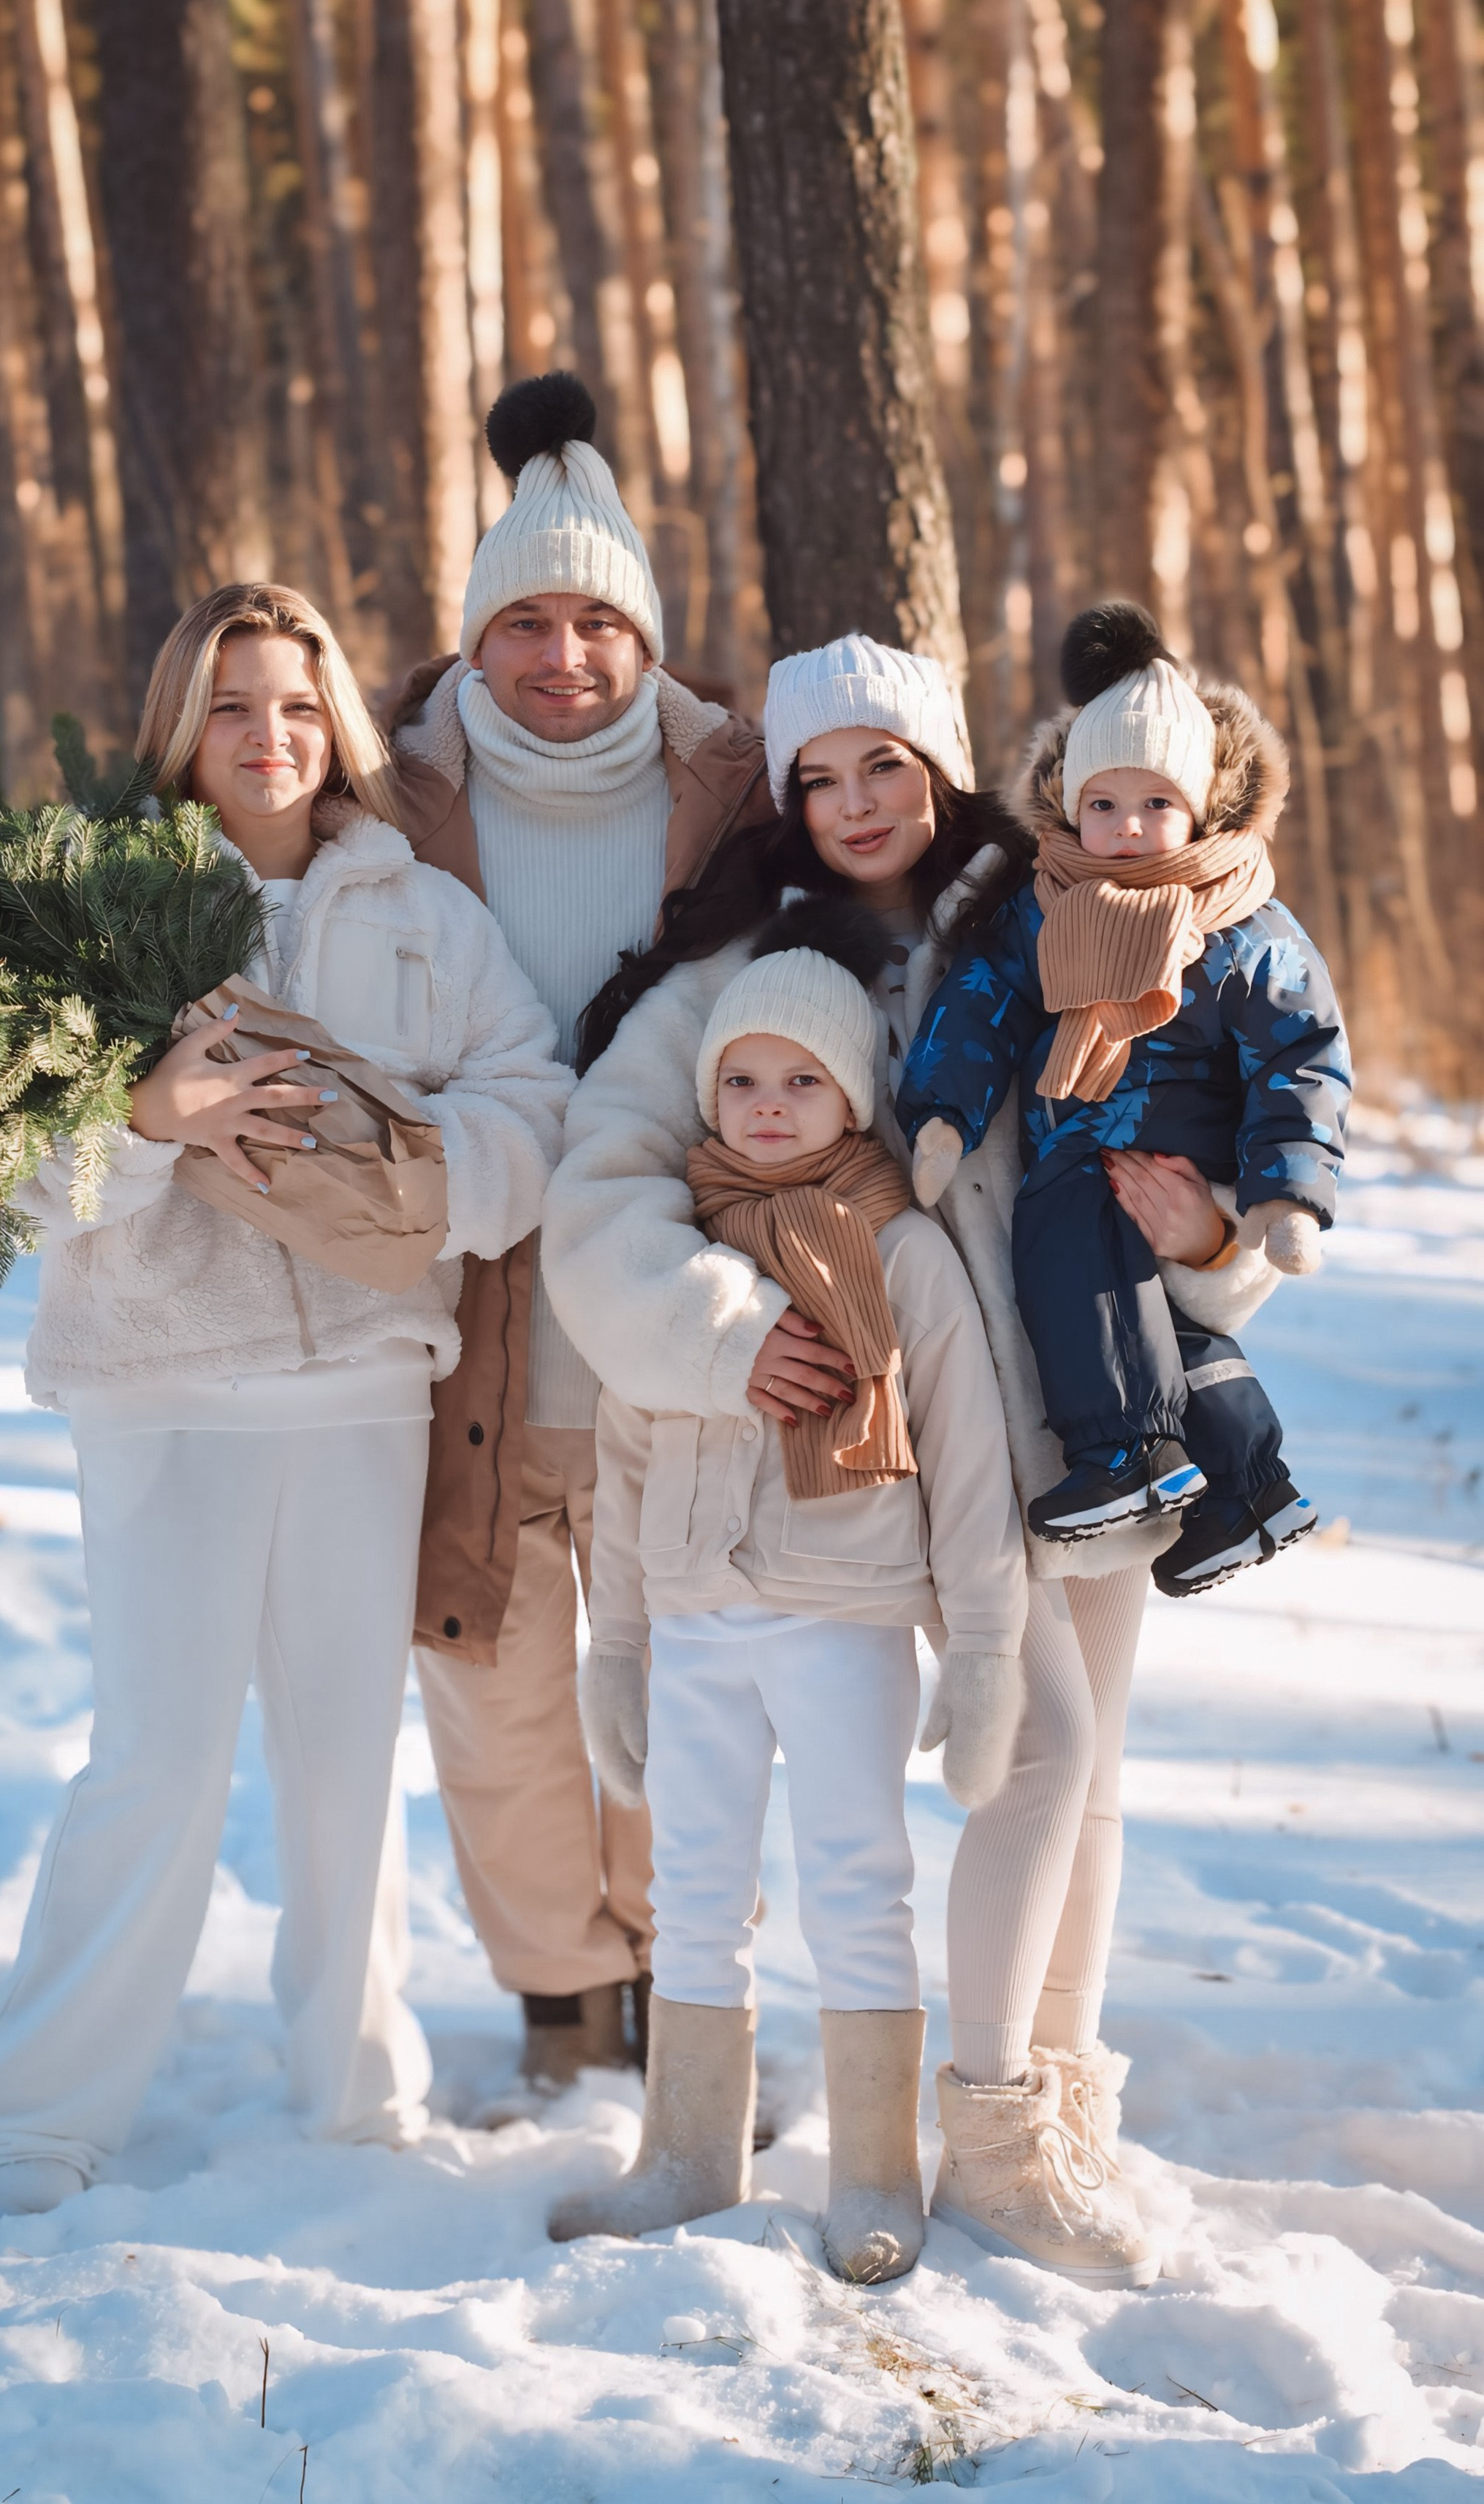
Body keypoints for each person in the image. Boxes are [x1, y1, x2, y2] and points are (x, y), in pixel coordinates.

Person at [543, 633, 1287, 2288]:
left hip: (1069, 1421)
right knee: (1030, 1754)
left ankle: (1045, 2112)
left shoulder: (1057, 921)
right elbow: (595, 1214)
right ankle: (978, 2124)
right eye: (820, 771)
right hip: (870, 1463)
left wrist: (1221, 1239)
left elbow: (1193, 1118)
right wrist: (730, 1334)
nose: (856, 799)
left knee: (1070, 1776)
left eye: (887, 762)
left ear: (944, 771)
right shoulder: (721, 979)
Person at [0, 583, 570, 2226]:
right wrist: (147, 1120)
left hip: (365, 1383)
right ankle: (29, 2118)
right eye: (231, 707)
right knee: (154, 1759)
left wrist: (431, 1186)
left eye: (294, 702)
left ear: (336, 720)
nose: (268, 735)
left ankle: (357, 2096)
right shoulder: (88, 907)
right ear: (181, 733)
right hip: (165, 1386)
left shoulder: (423, 909)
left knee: (346, 1762)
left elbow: (530, 1098)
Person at [387, 372, 774, 2093]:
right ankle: (559, 1996)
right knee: (493, 1679)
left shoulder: (736, 797)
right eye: (522, 621)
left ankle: (681, 1974)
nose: (560, 657)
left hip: (672, 1314)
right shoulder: (391, 808)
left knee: (686, 1675)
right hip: (457, 1318)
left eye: (594, 621)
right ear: (473, 637)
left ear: (644, 635)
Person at [547, 907, 1027, 2283]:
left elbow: (972, 1467)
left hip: (843, 1616)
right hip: (695, 1616)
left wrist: (984, 1646)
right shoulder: (680, 1269)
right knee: (692, 1885)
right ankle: (688, 2153)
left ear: (853, 1093)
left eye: (802, 1082)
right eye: (743, 1082)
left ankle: (874, 2170)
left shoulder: (906, 1256)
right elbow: (629, 1463)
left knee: (855, 1884)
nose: (768, 1110)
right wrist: (617, 1647)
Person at [900, 602, 1350, 1597]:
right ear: (1068, 806)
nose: (1129, 830)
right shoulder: (1046, 905)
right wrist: (943, 1115)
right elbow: (981, 1006)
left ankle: (1123, 1455)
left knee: (1065, 1241)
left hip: (1169, 1146)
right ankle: (1244, 1486)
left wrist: (1284, 1193)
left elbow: (1302, 1054)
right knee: (1161, 1334)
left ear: (1201, 809)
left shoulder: (1241, 923)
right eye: (1104, 805)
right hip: (1092, 1129)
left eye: (1156, 805)